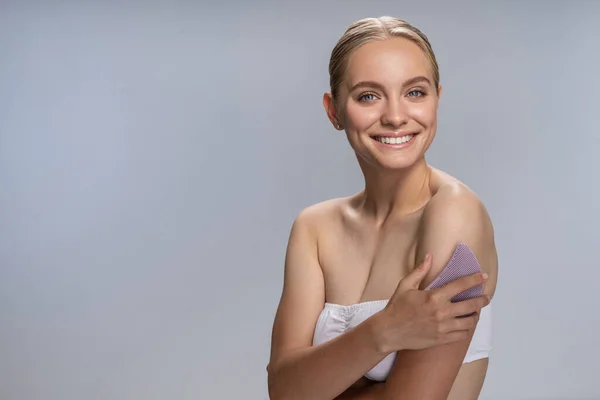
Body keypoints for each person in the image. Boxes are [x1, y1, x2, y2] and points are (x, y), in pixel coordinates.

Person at [266, 16, 499, 400]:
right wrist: (385, 330)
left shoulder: (454, 212)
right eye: (368, 96)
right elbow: (283, 390)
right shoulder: (315, 228)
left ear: (437, 98)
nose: (394, 116)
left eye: (415, 92)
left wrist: (328, 383)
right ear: (334, 111)